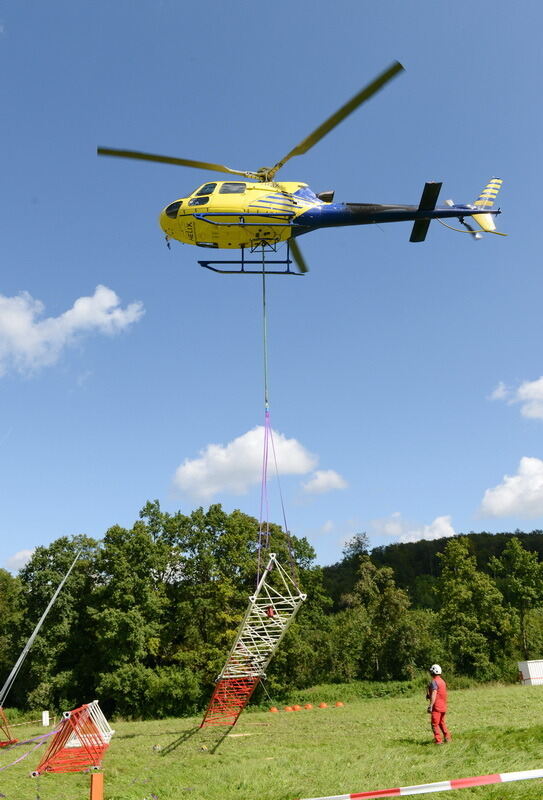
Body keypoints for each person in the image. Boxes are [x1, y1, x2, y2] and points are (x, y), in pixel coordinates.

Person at [426, 664, 451, 744]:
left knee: (434, 724)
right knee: (441, 723)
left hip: (436, 707)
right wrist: (429, 694)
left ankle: (438, 741)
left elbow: (434, 693)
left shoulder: (434, 682)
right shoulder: (442, 681)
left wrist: (431, 706)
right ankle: (447, 738)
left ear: (433, 672)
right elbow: (440, 693)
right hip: (443, 706)